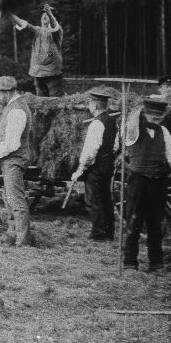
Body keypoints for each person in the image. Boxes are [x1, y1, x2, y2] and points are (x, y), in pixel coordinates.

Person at [121, 95, 171, 271]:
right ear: (145, 114)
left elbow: (170, 153)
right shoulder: (133, 130)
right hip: (138, 181)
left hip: (158, 181)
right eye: (152, 116)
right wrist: (139, 108)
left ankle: (156, 261)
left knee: (156, 223)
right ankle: (130, 261)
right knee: (134, 222)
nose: (155, 119)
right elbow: (129, 122)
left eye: (159, 116)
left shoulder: (163, 132)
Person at [0, 75, 35, 247]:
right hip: (10, 159)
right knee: (9, 198)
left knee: (16, 200)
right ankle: (12, 234)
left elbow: (12, 143)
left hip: (15, 158)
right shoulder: (12, 106)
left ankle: (24, 241)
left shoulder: (17, 110)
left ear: (7, 92)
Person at [71, 88, 117, 241]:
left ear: (95, 106)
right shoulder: (111, 121)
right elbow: (116, 146)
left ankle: (97, 234)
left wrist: (81, 169)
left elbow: (90, 152)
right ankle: (109, 232)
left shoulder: (96, 124)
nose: (89, 106)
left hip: (96, 167)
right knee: (106, 198)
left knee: (93, 200)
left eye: (90, 103)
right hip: (108, 164)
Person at [10, 3, 64, 97]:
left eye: (47, 15)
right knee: (41, 103)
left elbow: (55, 26)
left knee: (55, 102)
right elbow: (24, 24)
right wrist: (9, 13)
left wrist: (49, 13)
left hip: (53, 74)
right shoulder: (37, 31)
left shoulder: (57, 32)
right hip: (38, 73)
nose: (45, 15)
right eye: (43, 14)